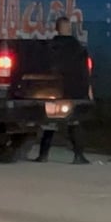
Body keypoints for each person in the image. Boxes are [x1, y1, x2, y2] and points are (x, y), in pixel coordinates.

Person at [35, 16, 90, 164]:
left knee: (50, 122)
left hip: (54, 91)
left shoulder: (50, 46)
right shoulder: (78, 47)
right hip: (74, 91)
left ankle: (43, 155)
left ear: (56, 28)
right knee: (74, 123)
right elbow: (85, 71)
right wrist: (87, 90)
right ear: (68, 28)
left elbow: (44, 69)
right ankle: (78, 156)